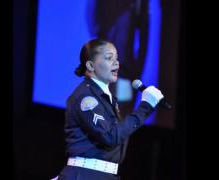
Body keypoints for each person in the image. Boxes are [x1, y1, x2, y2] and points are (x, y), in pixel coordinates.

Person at [57, 39, 164, 180]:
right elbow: (110, 136)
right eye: (109, 58)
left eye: (117, 58)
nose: (116, 63)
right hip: (85, 174)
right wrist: (145, 107)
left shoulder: (107, 97)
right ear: (90, 65)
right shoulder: (85, 98)